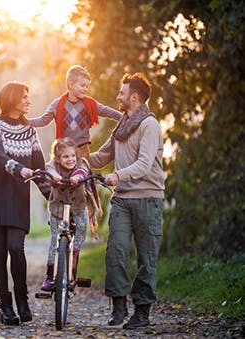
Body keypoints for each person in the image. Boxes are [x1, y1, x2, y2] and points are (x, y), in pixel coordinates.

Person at [87, 72, 165, 329]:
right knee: (115, 252)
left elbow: (144, 164)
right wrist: (76, 160)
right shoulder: (121, 124)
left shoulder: (149, 125)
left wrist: (117, 175)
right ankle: (119, 307)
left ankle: (141, 312)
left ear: (135, 97)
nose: (117, 97)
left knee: (146, 258)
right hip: (122, 200)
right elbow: (103, 156)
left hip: (148, 199)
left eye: (122, 93)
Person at [0, 81, 50, 326]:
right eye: (24, 97)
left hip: (18, 200)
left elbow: (39, 166)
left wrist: (52, 194)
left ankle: (22, 300)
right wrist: (20, 170)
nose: (29, 101)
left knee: (16, 248)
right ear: (12, 99)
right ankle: (5, 306)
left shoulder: (30, 131)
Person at [39, 137, 100, 291]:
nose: (70, 159)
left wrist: (78, 178)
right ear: (58, 158)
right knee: (54, 239)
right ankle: (49, 274)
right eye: (65, 156)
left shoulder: (81, 164)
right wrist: (54, 177)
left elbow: (82, 171)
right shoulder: (53, 166)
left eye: (72, 156)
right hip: (58, 210)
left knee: (81, 230)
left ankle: (73, 261)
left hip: (78, 207)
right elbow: (48, 169)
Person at [28, 65, 122, 158]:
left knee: (80, 171)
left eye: (87, 86)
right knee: (61, 171)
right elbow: (43, 120)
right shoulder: (57, 104)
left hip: (82, 149)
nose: (85, 89)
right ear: (71, 85)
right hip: (64, 149)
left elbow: (109, 112)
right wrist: (24, 121)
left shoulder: (90, 104)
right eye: (82, 85)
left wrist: (124, 118)